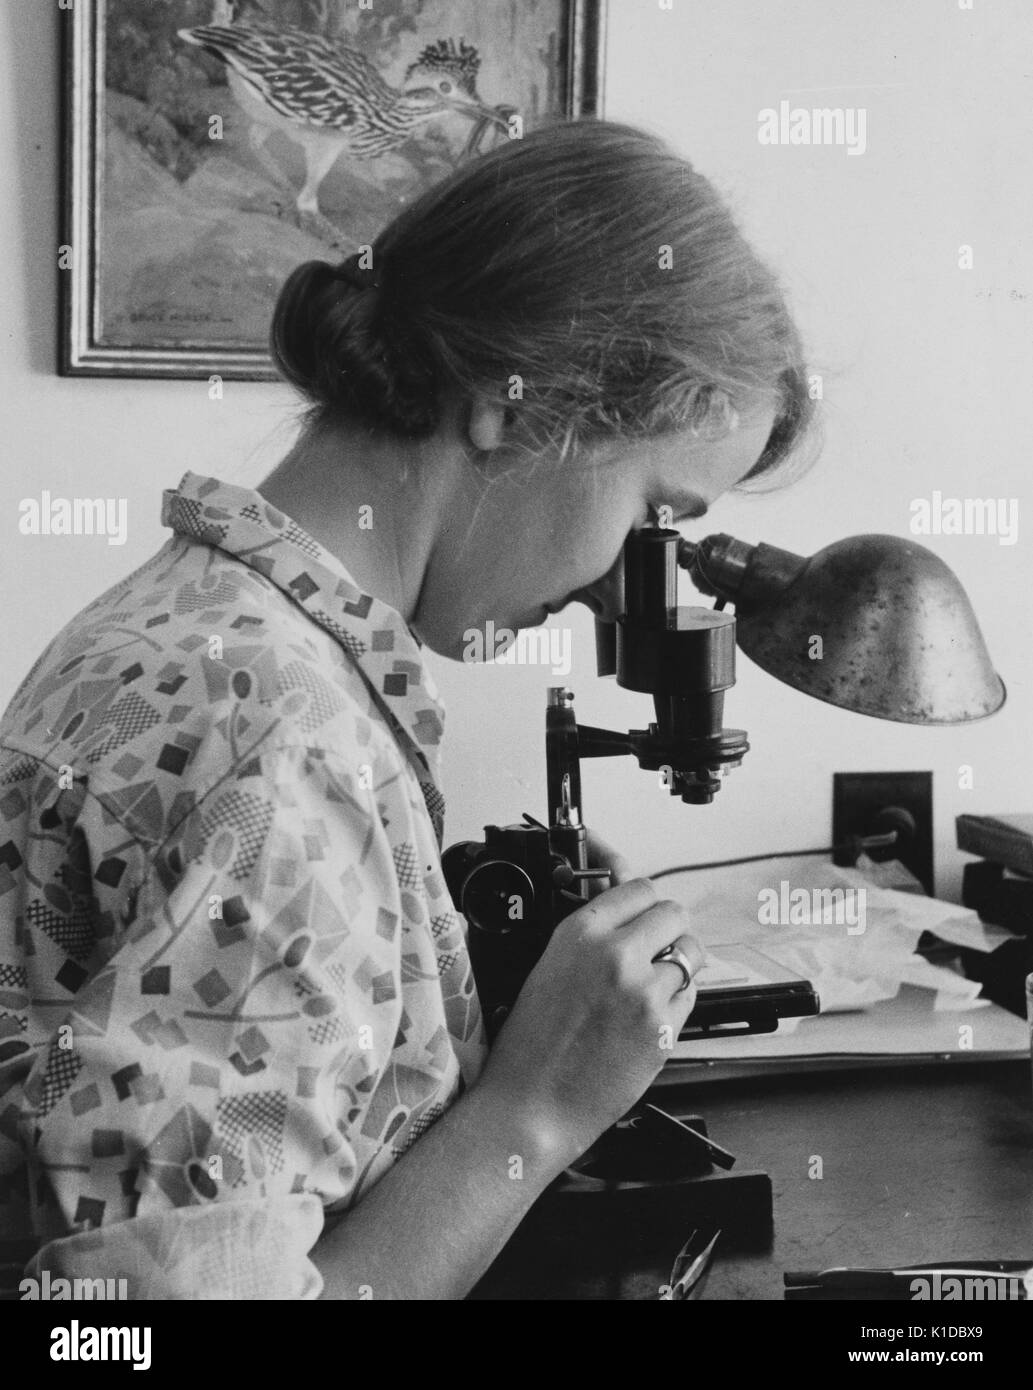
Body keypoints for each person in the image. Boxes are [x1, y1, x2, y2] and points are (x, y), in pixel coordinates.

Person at [0, 119, 816, 1300]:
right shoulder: (281, 746)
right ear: (512, 405)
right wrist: (536, 1106)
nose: (618, 584)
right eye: (653, 510)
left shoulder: (180, 626)